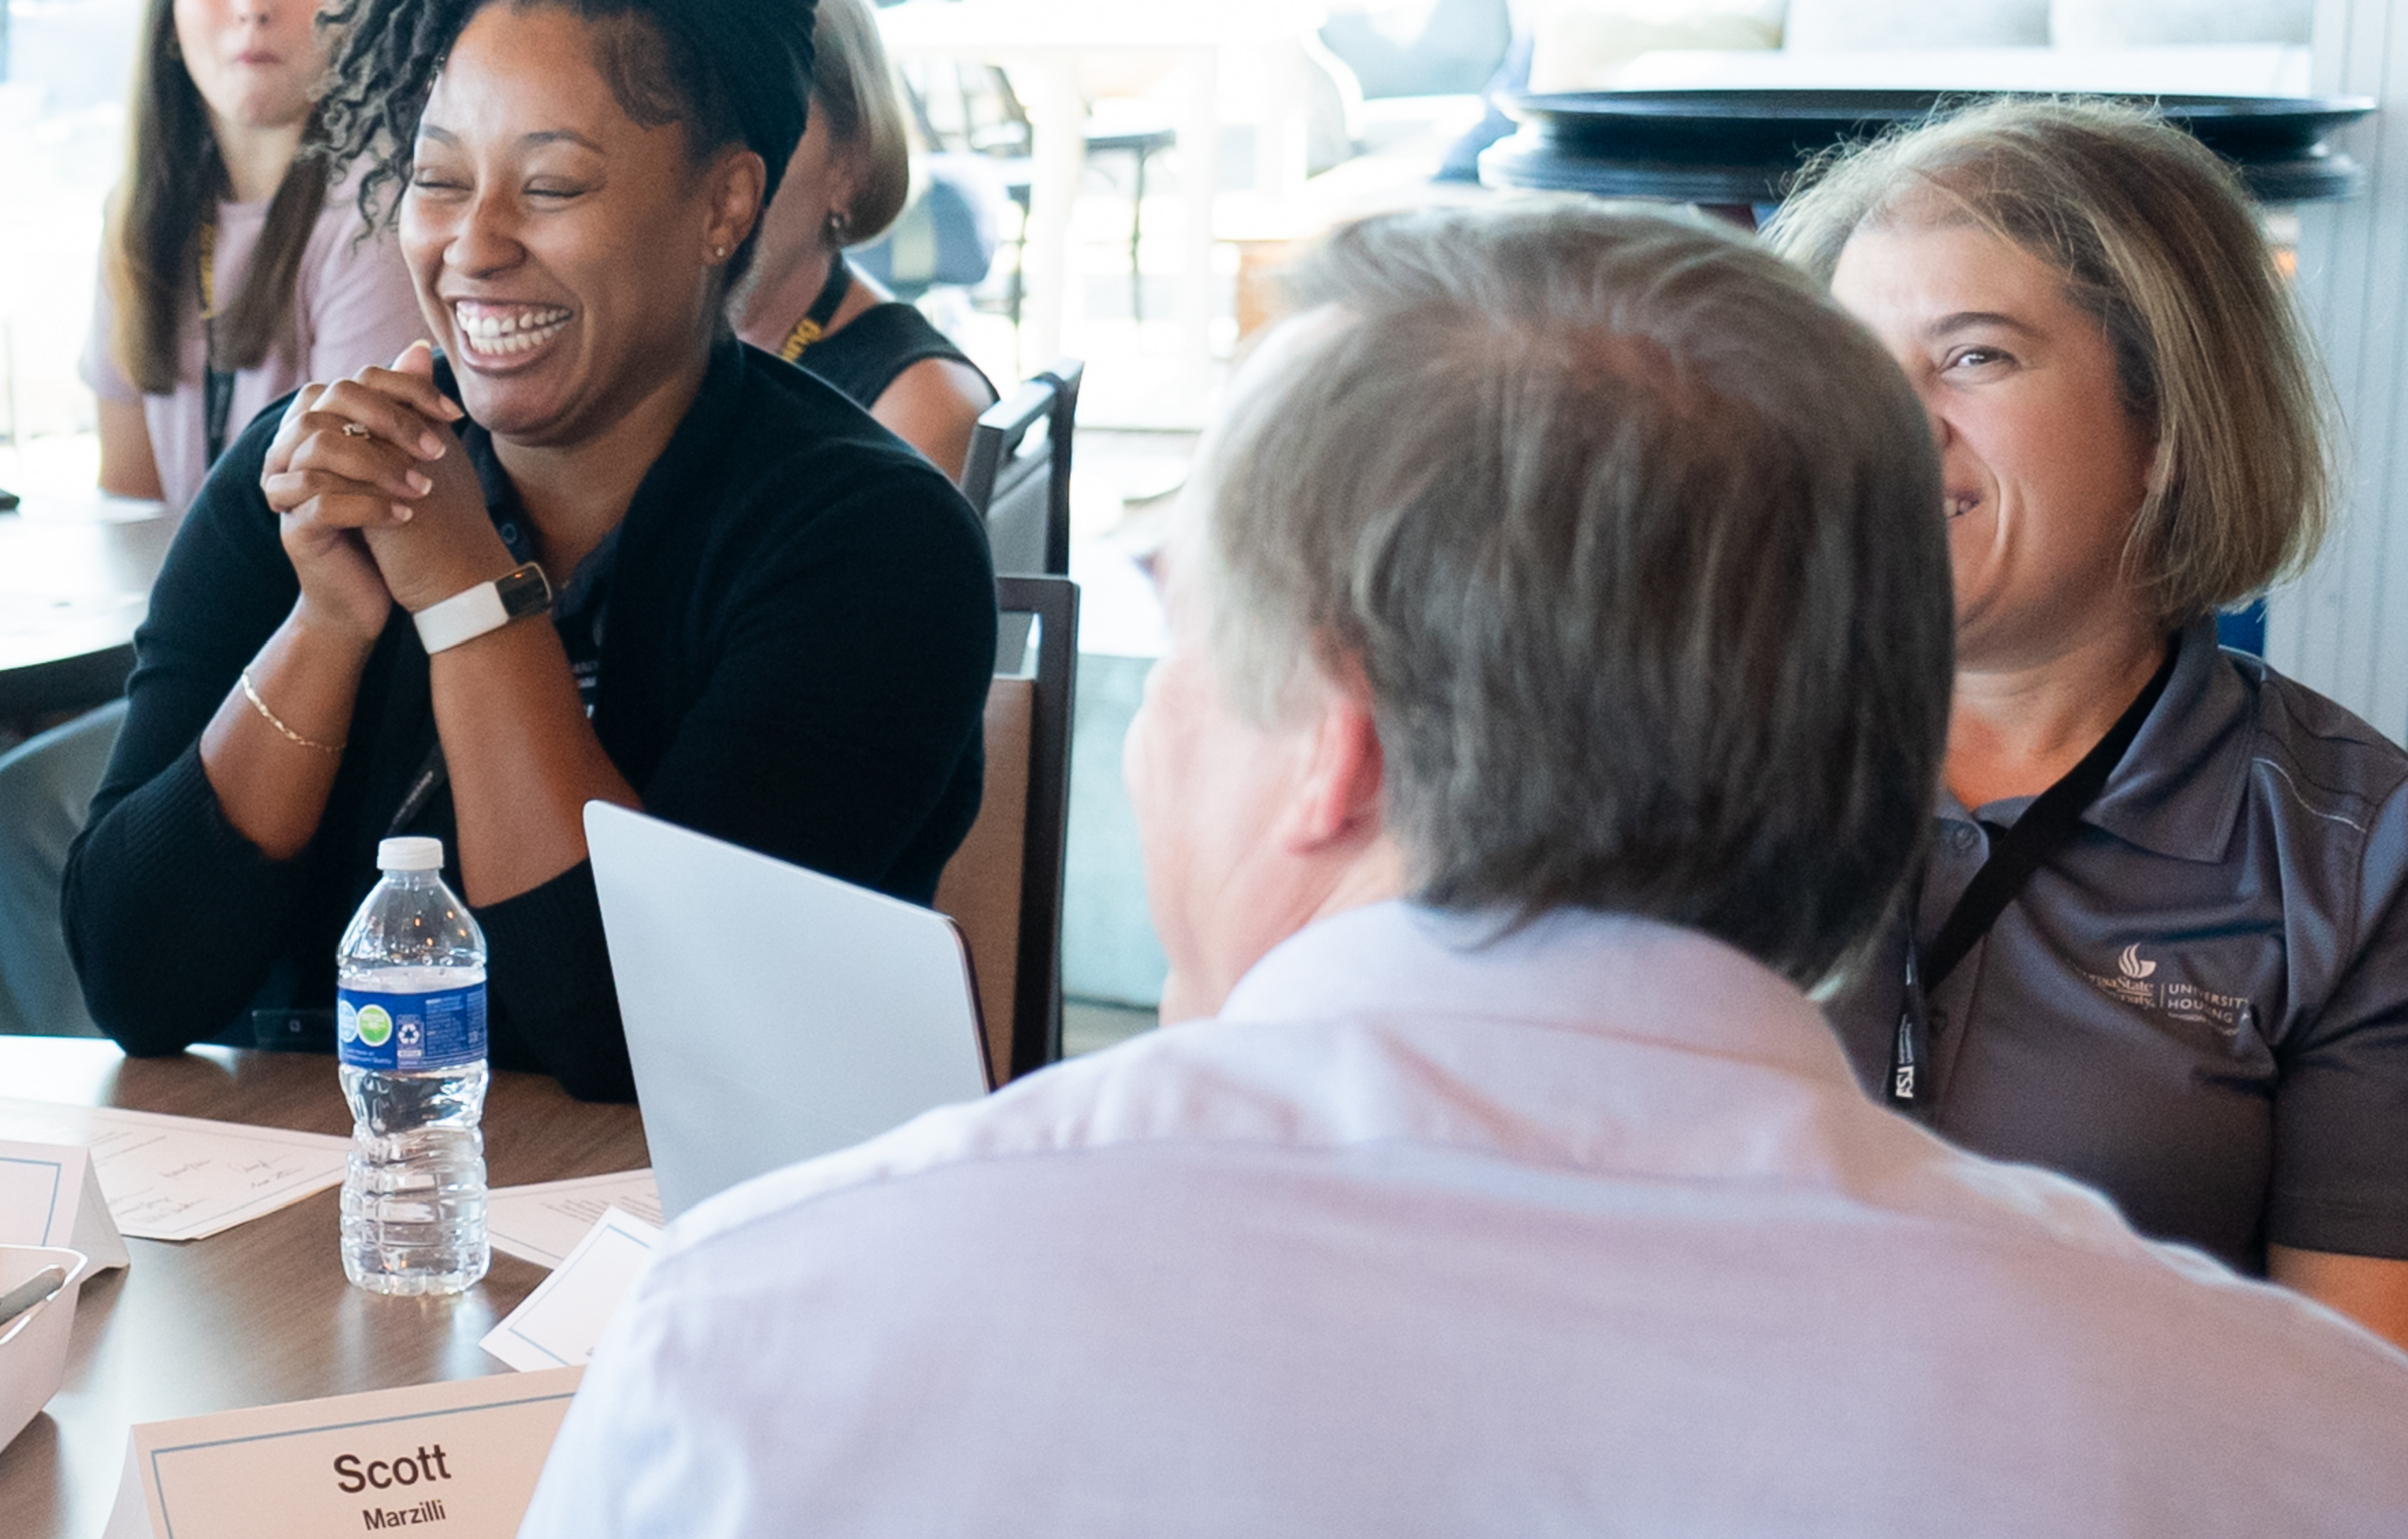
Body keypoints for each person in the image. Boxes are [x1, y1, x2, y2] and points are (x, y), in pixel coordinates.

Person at [518, 199, 2408, 1534]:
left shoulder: (771, 1343)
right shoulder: (2295, 1440)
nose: (1166, 730)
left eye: (1193, 644)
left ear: (1334, 725)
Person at [61, 0, 991, 1096]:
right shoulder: (320, 474)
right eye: (440, 182)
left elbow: (631, 1034)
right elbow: (134, 978)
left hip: (707, 1250)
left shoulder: (870, 544)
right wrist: (329, 625)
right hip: (331, 1236)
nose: (473, 247)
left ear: (725, 205)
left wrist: (465, 593)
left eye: (550, 187)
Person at [1765, 99, 2408, 1349]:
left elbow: (2363, 1412)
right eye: (1849, 360)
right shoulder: (1675, 750)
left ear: (2168, 425)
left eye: (1974, 355)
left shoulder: (2355, 858)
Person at [0, 0, 424, 1041]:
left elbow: (347, 522)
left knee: (18, 807)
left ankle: (75, 1119)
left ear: (353, 3)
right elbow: (125, 504)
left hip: (301, 655)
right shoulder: (148, 217)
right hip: (177, 642)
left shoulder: (374, 218)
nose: (253, 4)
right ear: (171, 9)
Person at [721, 0, 984, 477]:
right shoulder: (679, 362)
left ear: (849, 162)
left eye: (766, 131)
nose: (726, 178)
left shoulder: (919, 404)